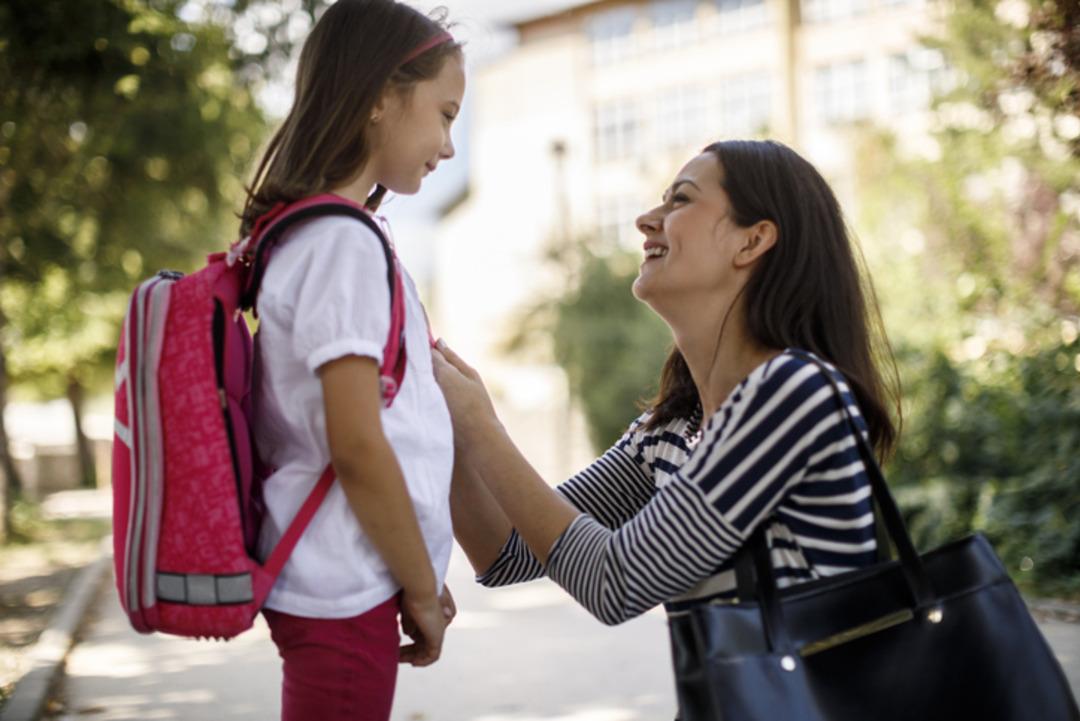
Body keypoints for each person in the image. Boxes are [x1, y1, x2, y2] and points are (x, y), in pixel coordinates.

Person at [433, 140, 900, 639]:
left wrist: (481, 426)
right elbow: (506, 552)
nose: (645, 221)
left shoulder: (792, 395)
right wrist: (445, 413)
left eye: (681, 200)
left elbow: (616, 582)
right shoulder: (675, 431)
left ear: (752, 241)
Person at [239, 2, 464, 719]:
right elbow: (358, 445)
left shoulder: (319, 235)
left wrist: (410, 570)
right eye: (445, 114)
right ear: (378, 97)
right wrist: (420, 586)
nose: (449, 146)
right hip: (340, 584)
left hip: (347, 574)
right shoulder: (341, 244)